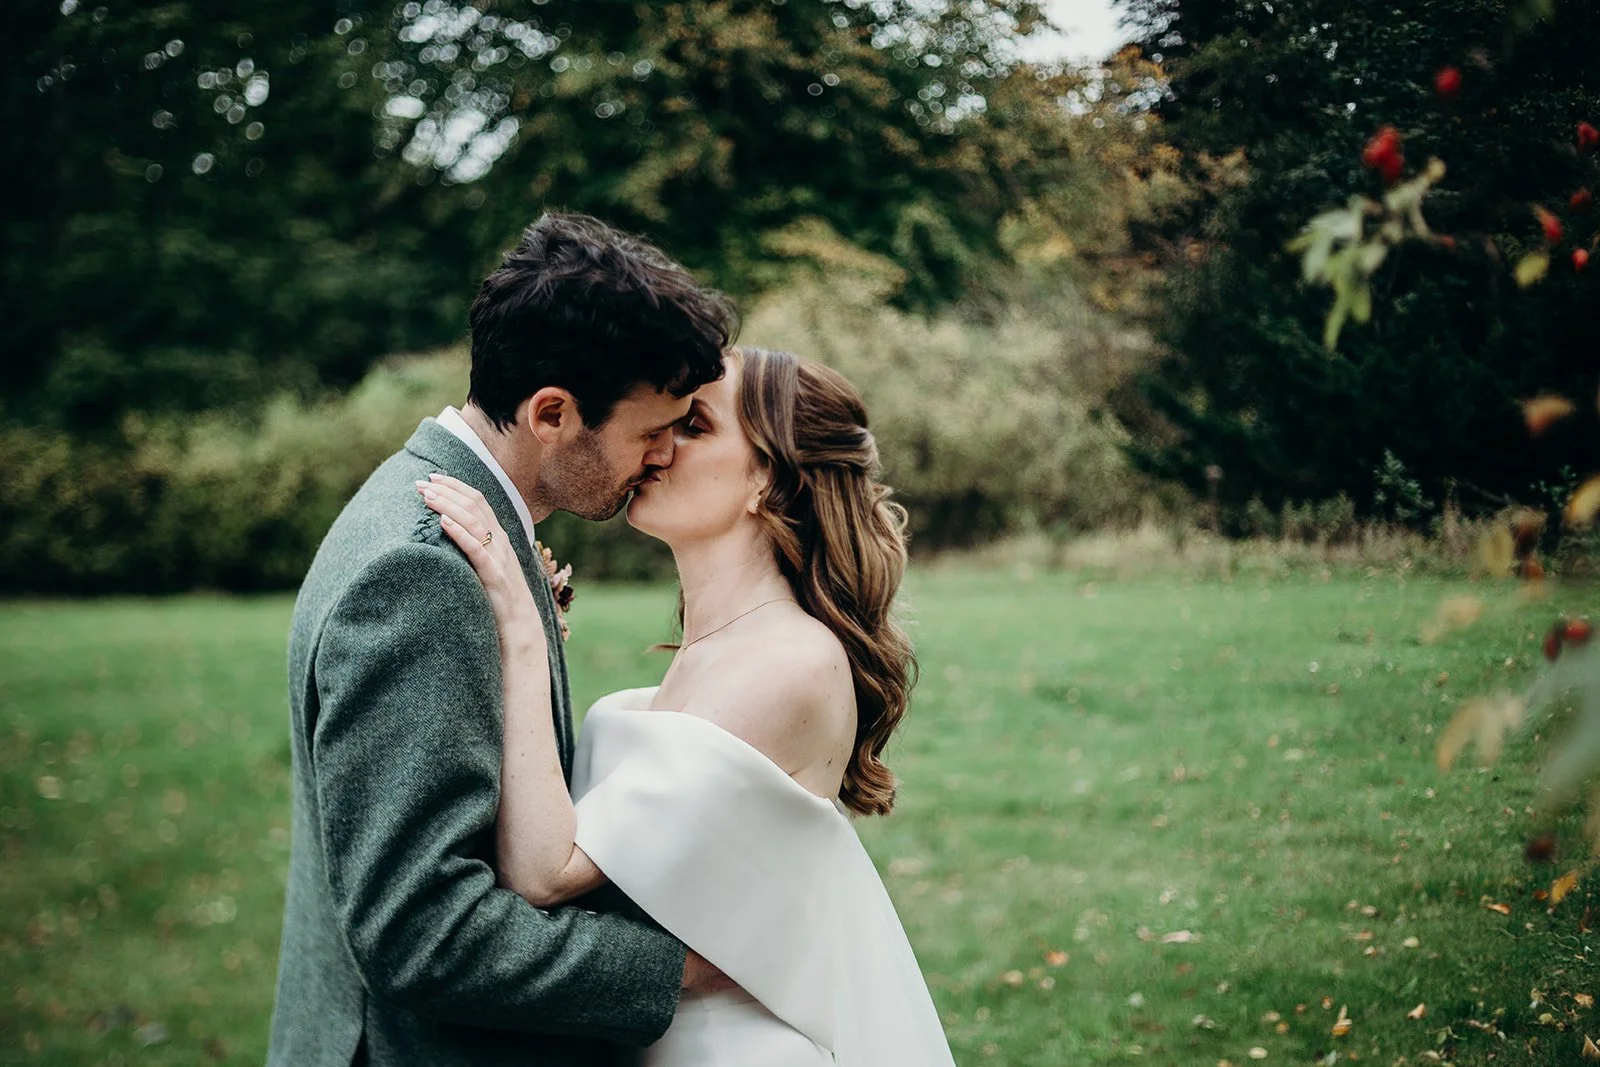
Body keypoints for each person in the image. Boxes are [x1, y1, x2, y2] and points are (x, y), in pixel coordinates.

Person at [267, 212, 736, 1067]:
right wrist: (680, 968)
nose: (665, 455)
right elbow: (424, 931)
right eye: (650, 430)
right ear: (552, 412)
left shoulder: (437, 503)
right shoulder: (422, 572)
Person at [418, 346, 957, 1065]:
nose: (658, 446)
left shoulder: (789, 661)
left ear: (764, 477)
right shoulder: (717, 653)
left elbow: (546, 870)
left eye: (693, 425)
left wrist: (518, 626)